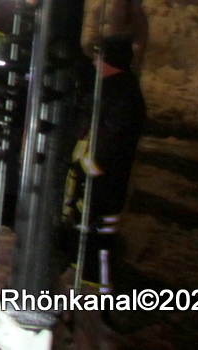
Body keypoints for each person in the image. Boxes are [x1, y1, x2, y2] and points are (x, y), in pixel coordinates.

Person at [69, 34, 147, 293]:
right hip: (91, 182)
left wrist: (87, 169)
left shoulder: (123, 97)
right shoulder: (109, 90)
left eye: (98, 57)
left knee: (98, 242)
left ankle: (99, 297)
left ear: (111, 60)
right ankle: (83, 290)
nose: (94, 63)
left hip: (104, 186)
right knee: (86, 239)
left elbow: (110, 145)